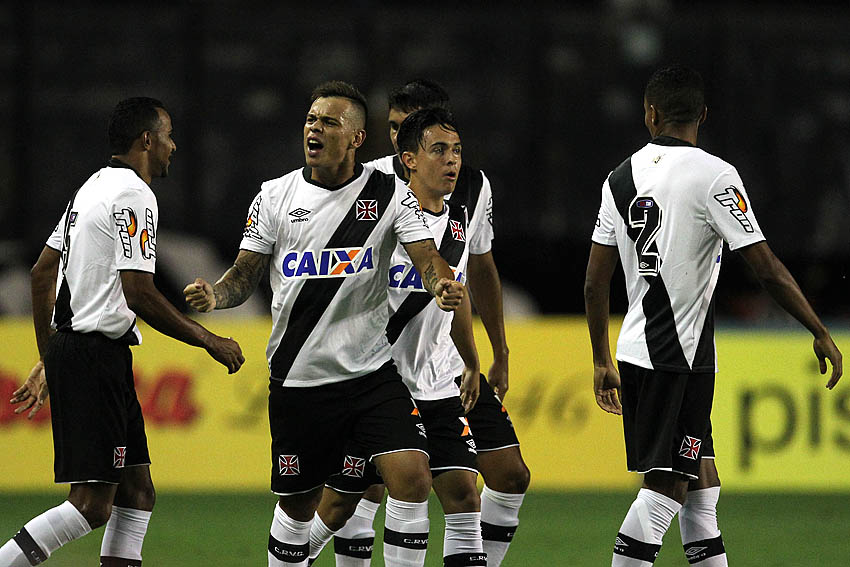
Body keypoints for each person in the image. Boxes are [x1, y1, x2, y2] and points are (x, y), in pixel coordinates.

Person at [182, 81, 468, 567]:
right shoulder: (275, 196)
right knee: (300, 504)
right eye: (311, 120)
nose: (314, 128)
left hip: (370, 374)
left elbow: (427, 256)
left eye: (329, 122)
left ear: (356, 138)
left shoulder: (389, 193)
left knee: (412, 476)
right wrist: (216, 295)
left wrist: (441, 283)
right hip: (300, 379)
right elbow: (244, 275)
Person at [584, 65, 843, 567]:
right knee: (666, 488)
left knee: (703, 488)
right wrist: (817, 328)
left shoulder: (618, 179)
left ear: (650, 114)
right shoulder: (715, 175)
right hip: (674, 356)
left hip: (643, 351)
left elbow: (595, 282)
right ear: (702, 115)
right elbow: (765, 267)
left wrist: (600, 360)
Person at [0, 97, 244, 567]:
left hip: (90, 353)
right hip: (94, 357)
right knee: (91, 504)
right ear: (147, 140)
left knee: (137, 492)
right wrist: (209, 339)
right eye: (168, 136)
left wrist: (50, 357)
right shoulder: (134, 195)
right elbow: (139, 293)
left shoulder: (91, 187)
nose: (174, 146)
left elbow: (41, 273)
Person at [311, 80, 530, 567]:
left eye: (452, 148)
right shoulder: (370, 187)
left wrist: (485, 355)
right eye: (393, 128)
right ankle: (290, 555)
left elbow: (469, 277)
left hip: (441, 372)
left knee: (475, 487)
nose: (397, 138)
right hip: (376, 374)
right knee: (351, 499)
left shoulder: (470, 193)